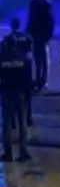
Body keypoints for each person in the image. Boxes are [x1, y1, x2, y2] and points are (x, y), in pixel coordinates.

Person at [0, 18, 34, 162]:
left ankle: (8, 152)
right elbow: (28, 79)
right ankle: (23, 152)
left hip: (7, 93)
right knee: (22, 124)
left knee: (7, 124)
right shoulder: (26, 60)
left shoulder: (2, 60)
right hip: (21, 93)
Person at [26, 0, 54, 92]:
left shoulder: (46, 4)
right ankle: (38, 79)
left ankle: (44, 81)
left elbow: (50, 22)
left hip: (43, 36)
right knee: (37, 60)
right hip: (35, 36)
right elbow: (31, 20)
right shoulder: (32, 4)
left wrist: (48, 37)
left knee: (44, 60)